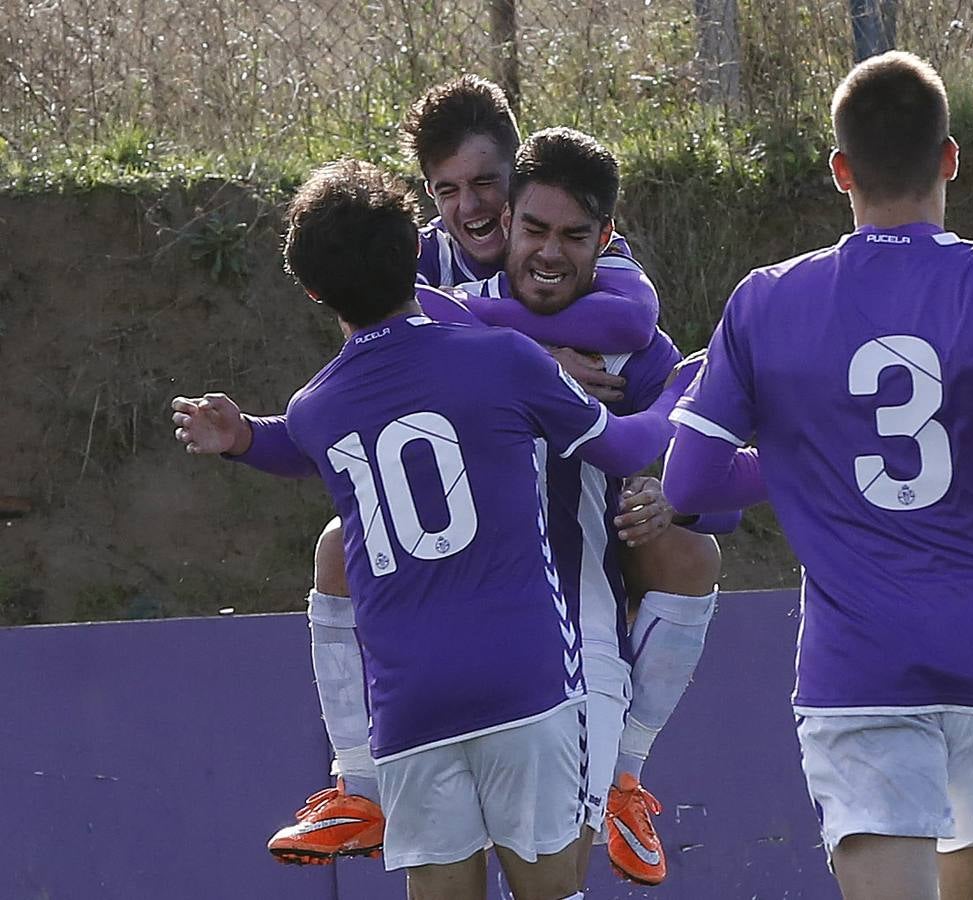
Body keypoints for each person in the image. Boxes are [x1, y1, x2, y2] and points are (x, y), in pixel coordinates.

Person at [175, 126, 724, 887]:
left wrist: (240, 439)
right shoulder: (495, 351)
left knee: (695, 551)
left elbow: (295, 444)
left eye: (571, 234)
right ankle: (368, 789)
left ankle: (373, 782)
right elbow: (630, 440)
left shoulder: (323, 401)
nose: (548, 251)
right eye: (533, 228)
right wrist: (674, 401)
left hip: (415, 697)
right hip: (532, 670)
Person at [661, 51, 973, 900]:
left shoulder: (765, 298)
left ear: (838, 171)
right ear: (949, 157)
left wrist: (797, 462)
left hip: (860, 666)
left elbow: (688, 486)